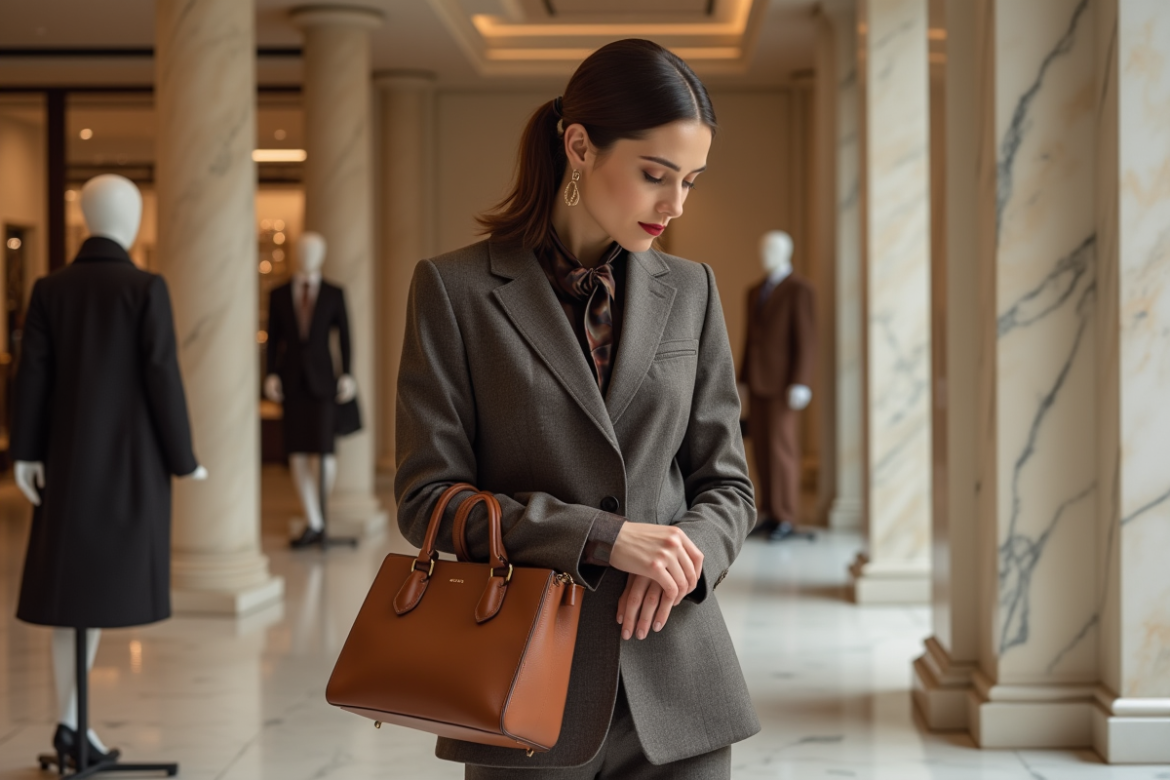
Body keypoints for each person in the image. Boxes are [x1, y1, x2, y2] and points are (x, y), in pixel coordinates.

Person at [394, 39, 759, 779]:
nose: (675, 204)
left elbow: (729, 485)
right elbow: (428, 501)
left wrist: (685, 558)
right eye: (655, 174)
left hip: (680, 689)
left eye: (690, 181)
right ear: (580, 147)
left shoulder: (692, 291)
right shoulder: (454, 291)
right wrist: (602, 537)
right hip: (522, 686)